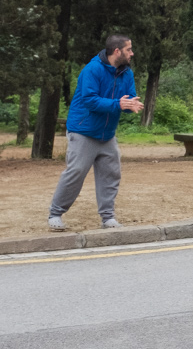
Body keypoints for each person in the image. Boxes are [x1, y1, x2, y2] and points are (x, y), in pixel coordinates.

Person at [48, 34, 144, 231]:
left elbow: (127, 99)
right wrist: (118, 104)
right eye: (129, 49)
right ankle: (55, 214)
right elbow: (90, 100)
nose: (132, 53)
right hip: (83, 131)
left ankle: (108, 218)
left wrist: (130, 105)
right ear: (117, 51)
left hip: (107, 135)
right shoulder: (92, 70)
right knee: (76, 172)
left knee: (111, 174)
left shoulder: (127, 73)